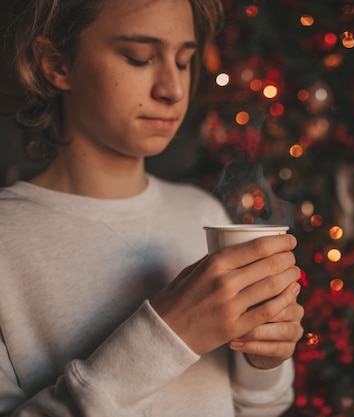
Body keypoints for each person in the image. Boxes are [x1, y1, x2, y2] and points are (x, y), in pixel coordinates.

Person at [0, 0, 304, 416]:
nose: (173, 89)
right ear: (56, 64)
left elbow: (262, 407)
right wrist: (170, 334)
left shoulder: (203, 213)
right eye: (138, 58)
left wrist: (263, 363)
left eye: (183, 61)